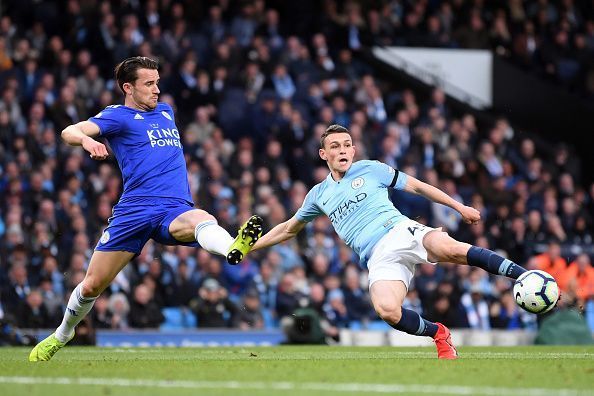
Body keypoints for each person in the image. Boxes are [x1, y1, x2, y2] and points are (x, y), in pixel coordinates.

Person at [29, 56, 262, 361]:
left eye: (157, 83)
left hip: (173, 208)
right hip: (134, 211)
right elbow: (69, 131)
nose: (156, 90)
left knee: (202, 218)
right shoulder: (117, 116)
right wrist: (87, 142)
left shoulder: (166, 112)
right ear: (128, 87)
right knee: (91, 286)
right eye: (149, 84)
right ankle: (62, 334)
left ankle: (233, 247)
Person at [251, 124, 529, 359]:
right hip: (376, 256)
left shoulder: (371, 169)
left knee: (450, 249)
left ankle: (524, 276)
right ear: (324, 154)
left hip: (399, 230)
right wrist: (251, 246)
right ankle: (439, 333)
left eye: (347, 145)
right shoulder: (317, 195)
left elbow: (418, 186)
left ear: (353, 150)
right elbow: (288, 229)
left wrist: (460, 207)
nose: (343, 150)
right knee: (387, 311)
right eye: (335, 146)